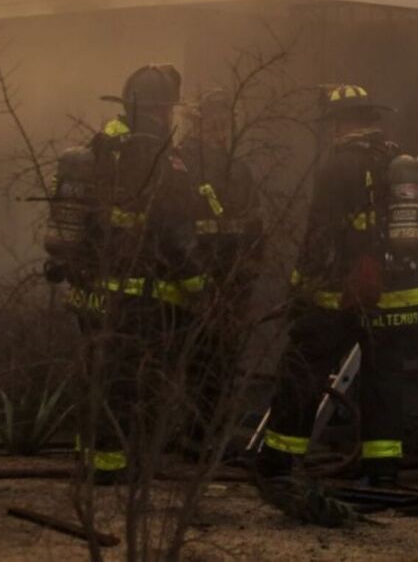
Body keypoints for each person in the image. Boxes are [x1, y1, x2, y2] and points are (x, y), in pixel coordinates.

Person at [256, 84, 418, 484]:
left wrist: (300, 284)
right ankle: (382, 469)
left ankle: (279, 461)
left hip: (342, 293)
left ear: (343, 123)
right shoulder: (395, 160)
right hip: (398, 293)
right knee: (384, 382)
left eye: (334, 123)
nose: (331, 131)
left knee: (303, 367)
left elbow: (321, 234)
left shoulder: (338, 165)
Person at [47, 63, 203, 484]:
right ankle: (112, 468)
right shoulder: (156, 153)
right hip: (136, 293)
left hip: (91, 287)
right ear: (162, 108)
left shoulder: (101, 144)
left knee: (94, 369)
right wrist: (196, 282)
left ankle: (89, 453)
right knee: (127, 381)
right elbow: (174, 226)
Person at [178, 87, 262, 448]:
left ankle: (198, 436)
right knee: (202, 360)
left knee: (209, 361)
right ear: (198, 125)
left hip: (210, 280)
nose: (219, 132)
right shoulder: (181, 164)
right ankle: (197, 436)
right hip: (199, 278)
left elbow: (255, 225)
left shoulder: (232, 168)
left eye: (223, 124)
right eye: (213, 124)